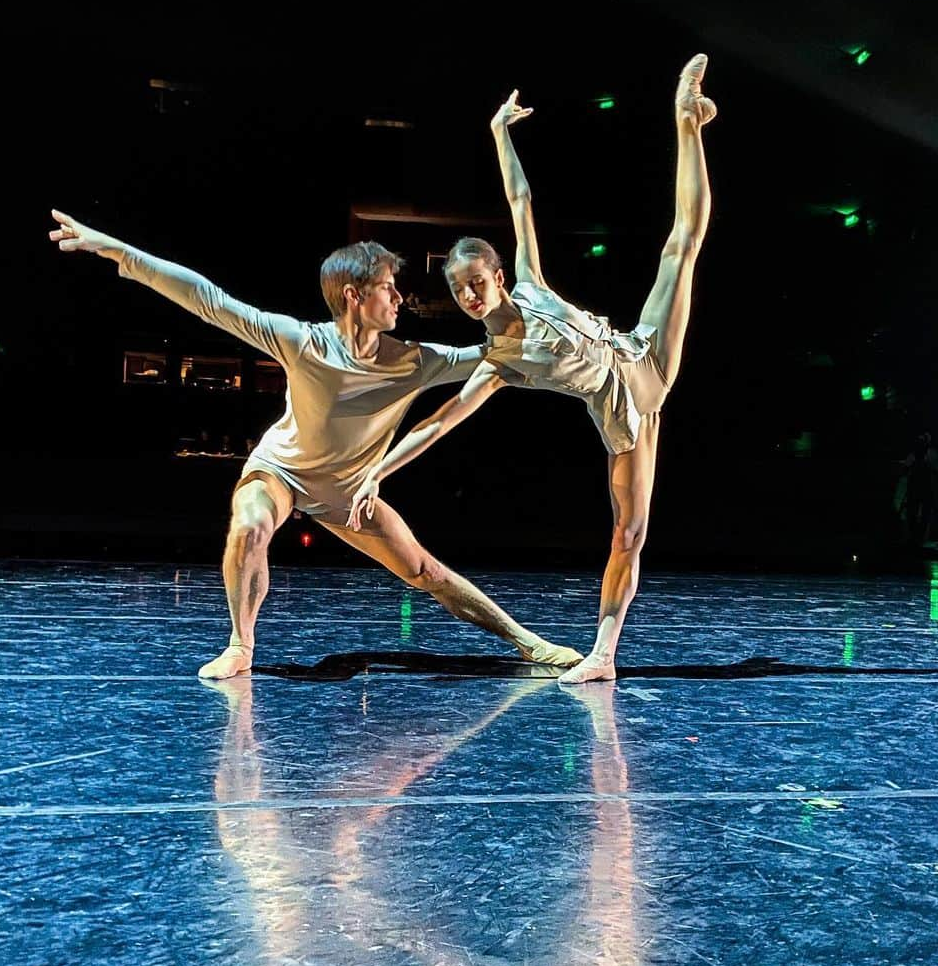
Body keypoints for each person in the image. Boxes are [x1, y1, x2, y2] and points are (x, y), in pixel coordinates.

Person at [47, 212, 581, 677]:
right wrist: (113, 249)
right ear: (355, 296)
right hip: (280, 472)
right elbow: (208, 300)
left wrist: (560, 341)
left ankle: (528, 644)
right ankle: (240, 645)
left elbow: (499, 357)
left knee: (424, 571)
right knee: (251, 525)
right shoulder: (301, 341)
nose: (400, 297)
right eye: (388, 288)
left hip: (348, 492)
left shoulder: (415, 360)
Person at [348, 55, 715, 684]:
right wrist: (375, 471)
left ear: (495, 274)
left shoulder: (532, 285)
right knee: (628, 534)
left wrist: (499, 132)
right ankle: (604, 654)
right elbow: (438, 423)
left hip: (639, 352)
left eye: (476, 281)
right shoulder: (496, 364)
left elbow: (521, 198)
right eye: (459, 291)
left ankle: (689, 122)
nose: (470, 296)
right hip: (624, 412)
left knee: (680, 245)